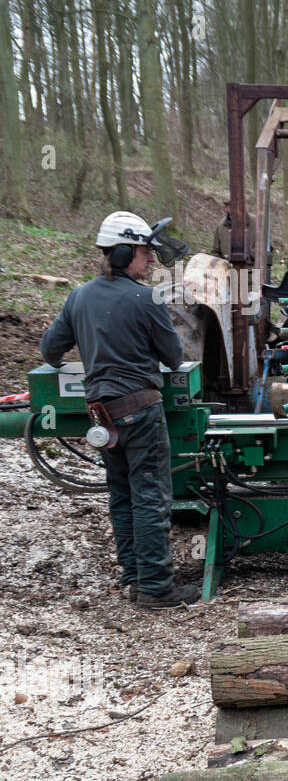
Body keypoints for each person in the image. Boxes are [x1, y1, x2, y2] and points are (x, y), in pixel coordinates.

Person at [40, 211, 199, 608]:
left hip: (102, 416)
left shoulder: (78, 296)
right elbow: (175, 357)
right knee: (149, 497)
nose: (148, 260)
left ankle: (133, 577)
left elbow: (50, 350)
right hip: (141, 410)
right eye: (145, 252)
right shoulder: (147, 298)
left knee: (122, 495)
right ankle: (156, 588)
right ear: (125, 252)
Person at [210, 197, 254, 261]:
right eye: (229, 206)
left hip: (252, 269)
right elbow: (215, 252)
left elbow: (265, 247)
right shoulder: (221, 227)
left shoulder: (256, 222)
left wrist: (250, 255)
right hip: (229, 269)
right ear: (226, 208)